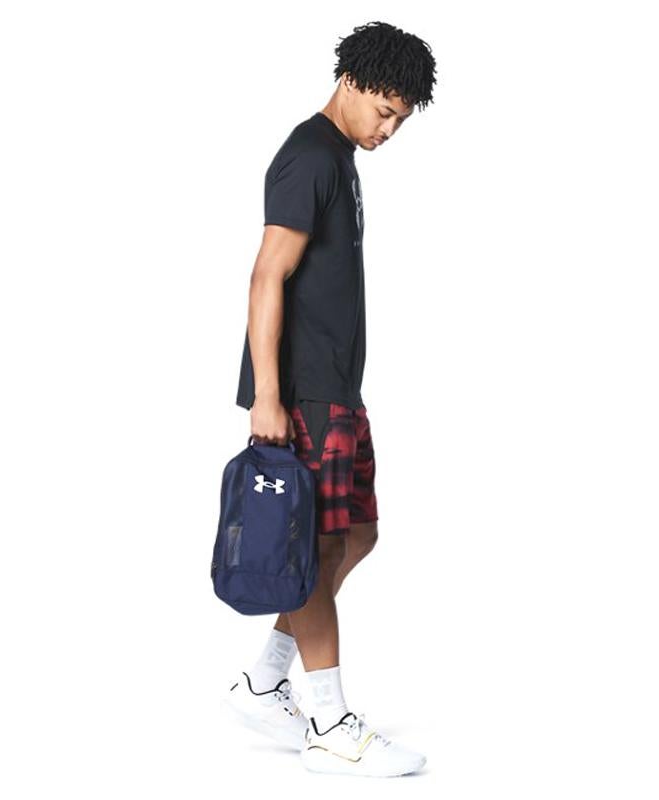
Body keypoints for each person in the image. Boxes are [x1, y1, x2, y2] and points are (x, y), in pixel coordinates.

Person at [222, 21, 437, 777]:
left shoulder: (340, 158)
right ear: (351, 83)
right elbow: (266, 276)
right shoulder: (309, 155)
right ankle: (327, 722)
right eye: (384, 112)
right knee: (313, 549)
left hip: (337, 389)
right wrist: (268, 398)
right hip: (303, 394)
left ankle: (264, 681)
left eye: (400, 120)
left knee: (357, 536)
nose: (389, 131)